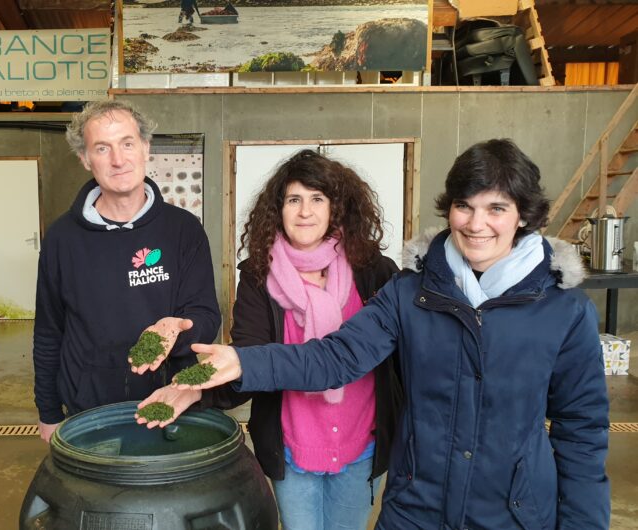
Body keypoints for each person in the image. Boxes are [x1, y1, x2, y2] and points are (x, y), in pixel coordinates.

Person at [172, 139, 610, 529]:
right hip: (415, 509)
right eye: (465, 206)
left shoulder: (564, 312)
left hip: (513, 513)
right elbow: (337, 357)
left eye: (496, 208)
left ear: (524, 217)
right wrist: (241, 361)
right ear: (449, 209)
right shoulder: (410, 294)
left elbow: (582, 432)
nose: (477, 224)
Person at [138, 149, 402, 529]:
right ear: (279, 209)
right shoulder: (258, 277)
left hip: (362, 444)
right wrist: (195, 389)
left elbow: (399, 358)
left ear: (336, 208)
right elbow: (247, 358)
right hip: (292, 449)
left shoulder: (375, 271)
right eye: (294, 200)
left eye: (317, 199)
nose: (305, 212)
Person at [33, 99, 220, 444]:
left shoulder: (183, 230)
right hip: (89, 414)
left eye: (127, 143)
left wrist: (176, 330)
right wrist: (47, 413)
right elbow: (48, 333)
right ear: (85, 159)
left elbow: (207, 316)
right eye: (102, 148)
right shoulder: (62, 238)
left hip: (169, 405)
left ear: (146, 148)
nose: (118, 160)